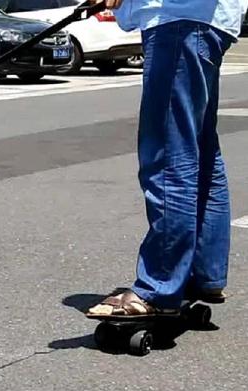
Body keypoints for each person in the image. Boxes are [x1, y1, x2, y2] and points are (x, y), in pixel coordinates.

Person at [87, 0, 248, 318]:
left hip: (180, 20)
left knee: (169, 154)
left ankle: (159, 285)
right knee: (200, 152)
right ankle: (203, 273)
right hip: (202, 22)